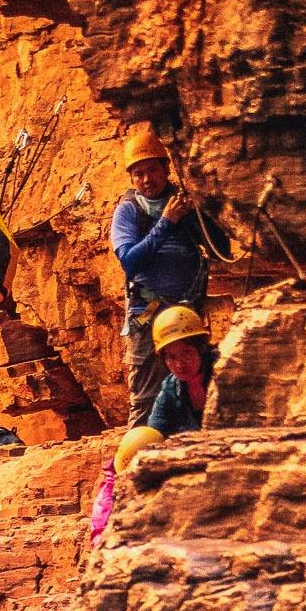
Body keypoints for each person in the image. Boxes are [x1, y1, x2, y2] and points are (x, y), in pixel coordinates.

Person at [110, 123, 230, 426]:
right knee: (146, 393)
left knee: (196, 381)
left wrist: (199, 211)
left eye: (153, 170)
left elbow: (220, 248)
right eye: (139, 173)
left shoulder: (183, 201)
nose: (147, 179)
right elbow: (130, 261)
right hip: (147, 310)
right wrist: (166, 222)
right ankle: (140, 454)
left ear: (166, 169)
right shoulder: (129, 210)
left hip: (187, 308)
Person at [146, 302, 213, 432]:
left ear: (200, 348)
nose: (180, 364)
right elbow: (154, 432)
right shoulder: (170, 389)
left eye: (186, 352)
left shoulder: (225, 373)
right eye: (171, 357)